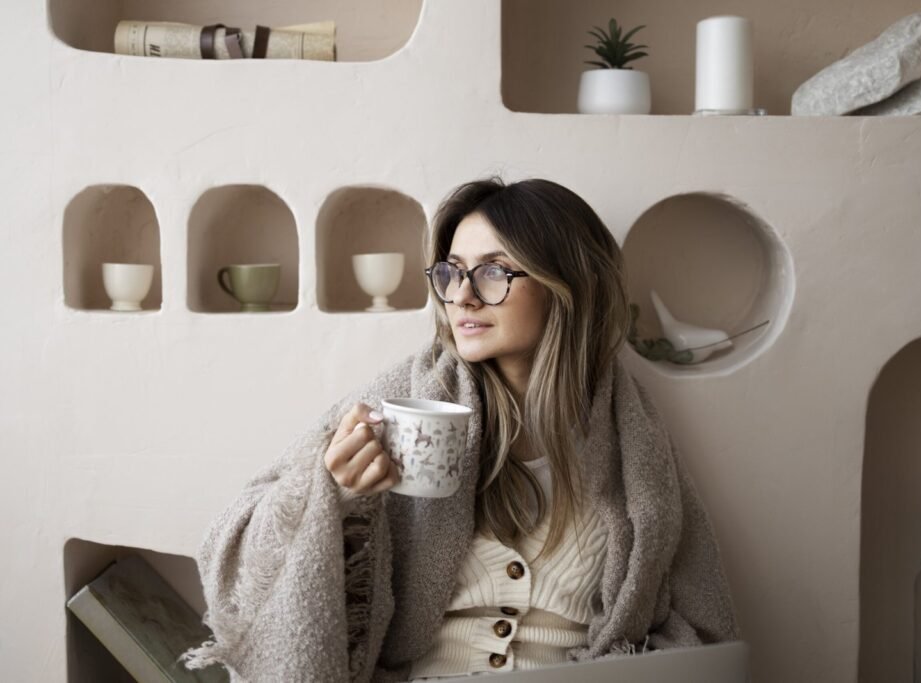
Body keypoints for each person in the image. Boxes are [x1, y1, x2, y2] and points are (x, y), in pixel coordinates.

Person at [181, 177, 738, 682]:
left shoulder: (631, 437)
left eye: (494, 271)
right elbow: (233, 545)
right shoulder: (402, 400)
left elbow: (698, 617)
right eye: (451, 271)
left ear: (568, 284)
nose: (462, 296)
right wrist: (332, 492)